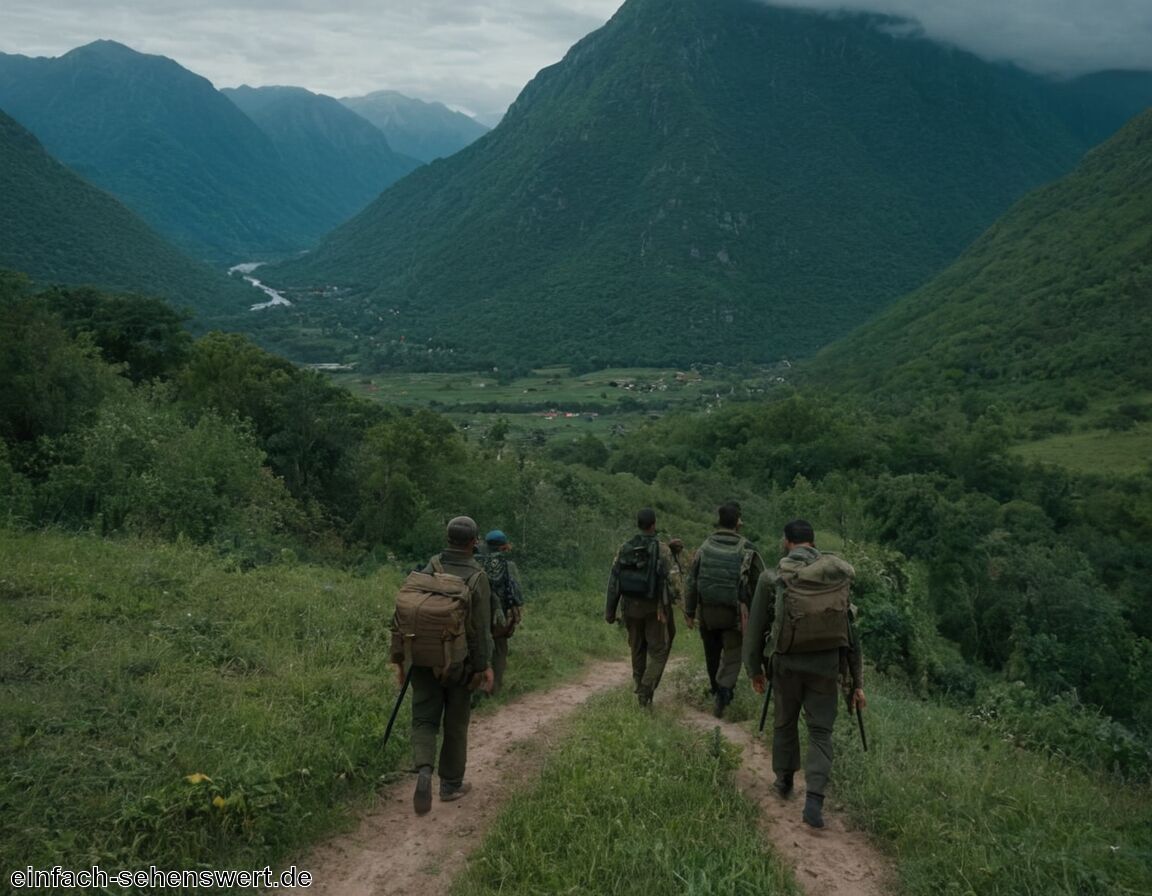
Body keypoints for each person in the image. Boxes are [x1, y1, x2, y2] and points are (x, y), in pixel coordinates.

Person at [743, 519, 865, 829]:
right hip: (826, 666)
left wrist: (754, 669)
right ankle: (814, 801)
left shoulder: (773, 578)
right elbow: (851, 633)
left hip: (786, 665)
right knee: (821, 732)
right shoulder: (834, 577)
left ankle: (784, 781)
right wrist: (856, 682)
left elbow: (755, 629)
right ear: (813, 543)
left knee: (785, 722)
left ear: (786, 542)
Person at [391, 515, 493, 815]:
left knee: (424, 718)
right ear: (474, 542)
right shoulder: (477, 577)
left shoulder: (430, 567)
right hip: (458, 665)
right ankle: (450, 785)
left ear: (447, 539)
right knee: (456, 723)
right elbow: (480, 628)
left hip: (421, 659)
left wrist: (400, 660)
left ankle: (424, 770)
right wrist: (483, 666)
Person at [684, 501, 764, 718]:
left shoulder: (704, 546)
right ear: (738, 523)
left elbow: (691, 581)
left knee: (712, 653)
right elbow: (761, 584)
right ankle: (724, 692)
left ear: (718, 521)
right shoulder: (748, 548)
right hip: (735, 612)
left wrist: (689, 612)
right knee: (732, 654)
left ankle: (715, 687)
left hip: (707, 611)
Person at [604, 507, 677, 707]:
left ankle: (640, 691)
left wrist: (610, 611)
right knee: (659, 651)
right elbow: (673, 582)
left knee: (637, 649)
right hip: (655, 609)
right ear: (654, 524)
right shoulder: (662, 549)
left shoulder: (625, 548)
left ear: (638, 524)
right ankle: (645, 688)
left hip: (629, 607)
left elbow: (614, 582)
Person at [480, 528, 525, 696]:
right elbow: (517, 595)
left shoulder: (475, 562)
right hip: (499, 620)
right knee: (499, 651)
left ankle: (476, 688)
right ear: (503, 547)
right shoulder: (508, 566)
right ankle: (494, 691)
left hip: (476, 618)